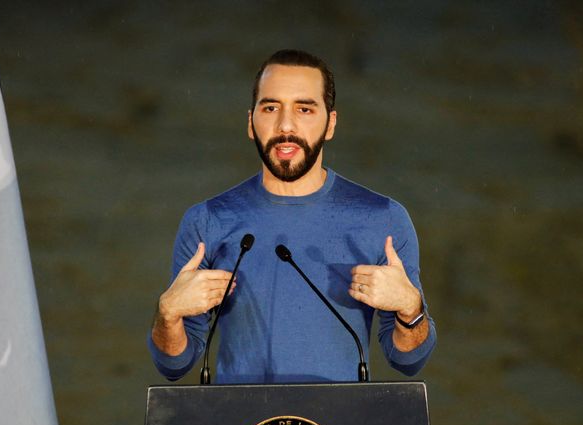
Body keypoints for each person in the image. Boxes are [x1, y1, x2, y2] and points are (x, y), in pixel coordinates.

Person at [148, 49, 436, 383]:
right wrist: (168, 315)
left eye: (304, 109)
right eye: (271, 108)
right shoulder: (208, 221)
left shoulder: (382, 219)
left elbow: (408, 358)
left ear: (330, 124)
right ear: (250, 123)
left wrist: (410, 308)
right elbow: (174, 364)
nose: (285, 125)